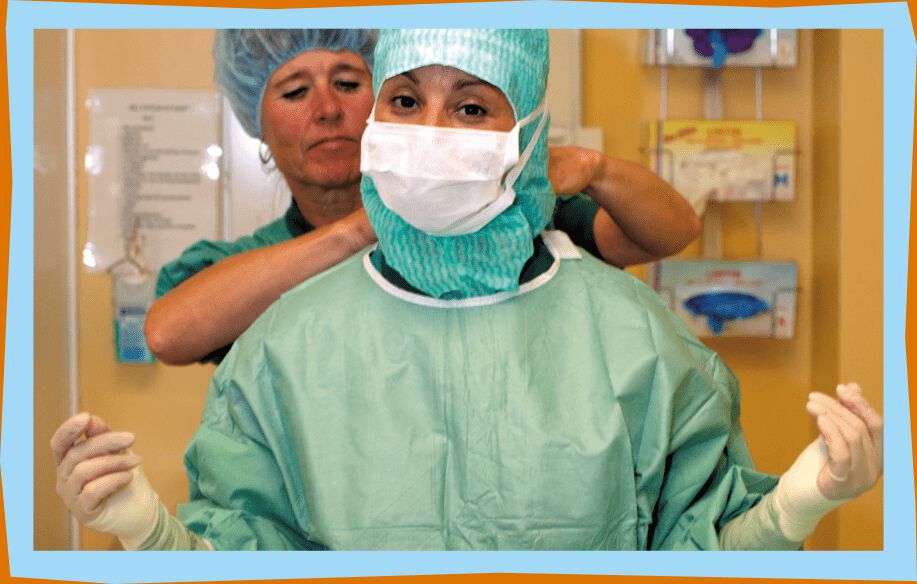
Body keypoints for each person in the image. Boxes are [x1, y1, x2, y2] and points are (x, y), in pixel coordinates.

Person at [53, 29, 881, 551]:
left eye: (473, 108)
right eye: (405, 101)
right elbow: (240, 541)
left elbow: (694, 543)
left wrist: (798, 504)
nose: (431, 135)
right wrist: (147, 533)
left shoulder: (627, 332)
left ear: (522, 137)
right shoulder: (283, 332)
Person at [144, 28, 702, 366]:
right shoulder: (245, 267)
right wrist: (366, 227)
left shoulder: (501, 218)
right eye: (294, 91)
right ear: (257, 126)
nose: (328, 110)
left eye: (348, 82)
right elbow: (169, 333)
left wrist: (594, 169)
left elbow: (670, 231)